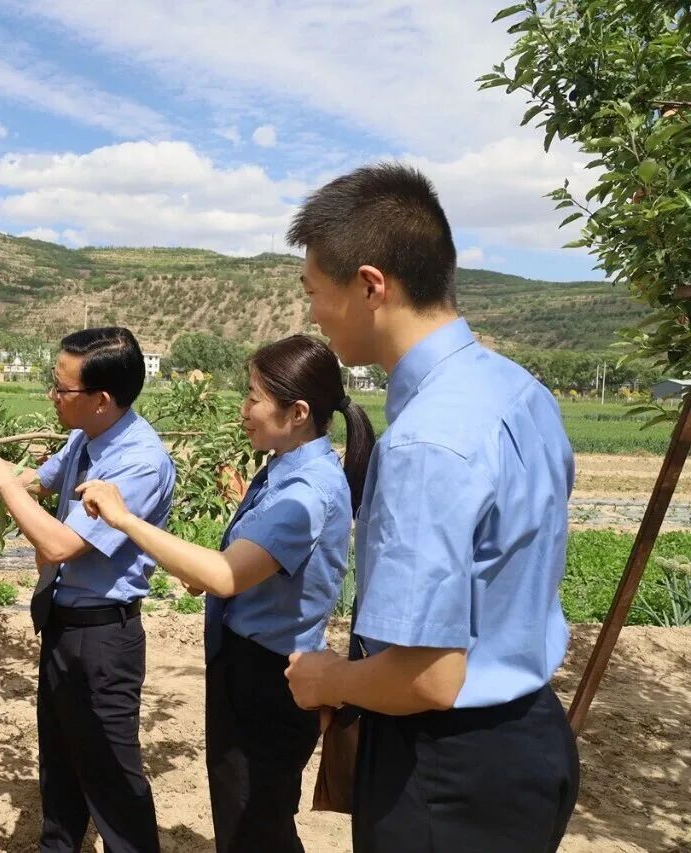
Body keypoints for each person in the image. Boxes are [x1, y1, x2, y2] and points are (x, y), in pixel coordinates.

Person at [282, 163, 580, 852]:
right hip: (530, 737)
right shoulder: (519, 391)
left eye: (315, 292)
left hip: (445, 770)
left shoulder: (424, 442)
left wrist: (328, 678)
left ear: (369, 286)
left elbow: (428, 676)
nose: (314, 314)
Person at [77, 334, 374, 853]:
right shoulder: (285, 470)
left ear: (298, 412)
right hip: (250, 666)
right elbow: (238, 567)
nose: (244, 410)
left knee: (254, 830)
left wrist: (124, 518)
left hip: (268, 680)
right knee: (250, 822)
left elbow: (225, 575)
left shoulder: (307, 491)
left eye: (254, 397)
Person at [0, 327, 175, 853]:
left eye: (62, 387)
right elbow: (36, 481)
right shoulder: (86, 437)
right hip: (63, 625)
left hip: (104, 641)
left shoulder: (139, 462)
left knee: (113, 779)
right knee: (61, 764)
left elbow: (58, 544)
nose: (52, 395)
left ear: (101, 399)